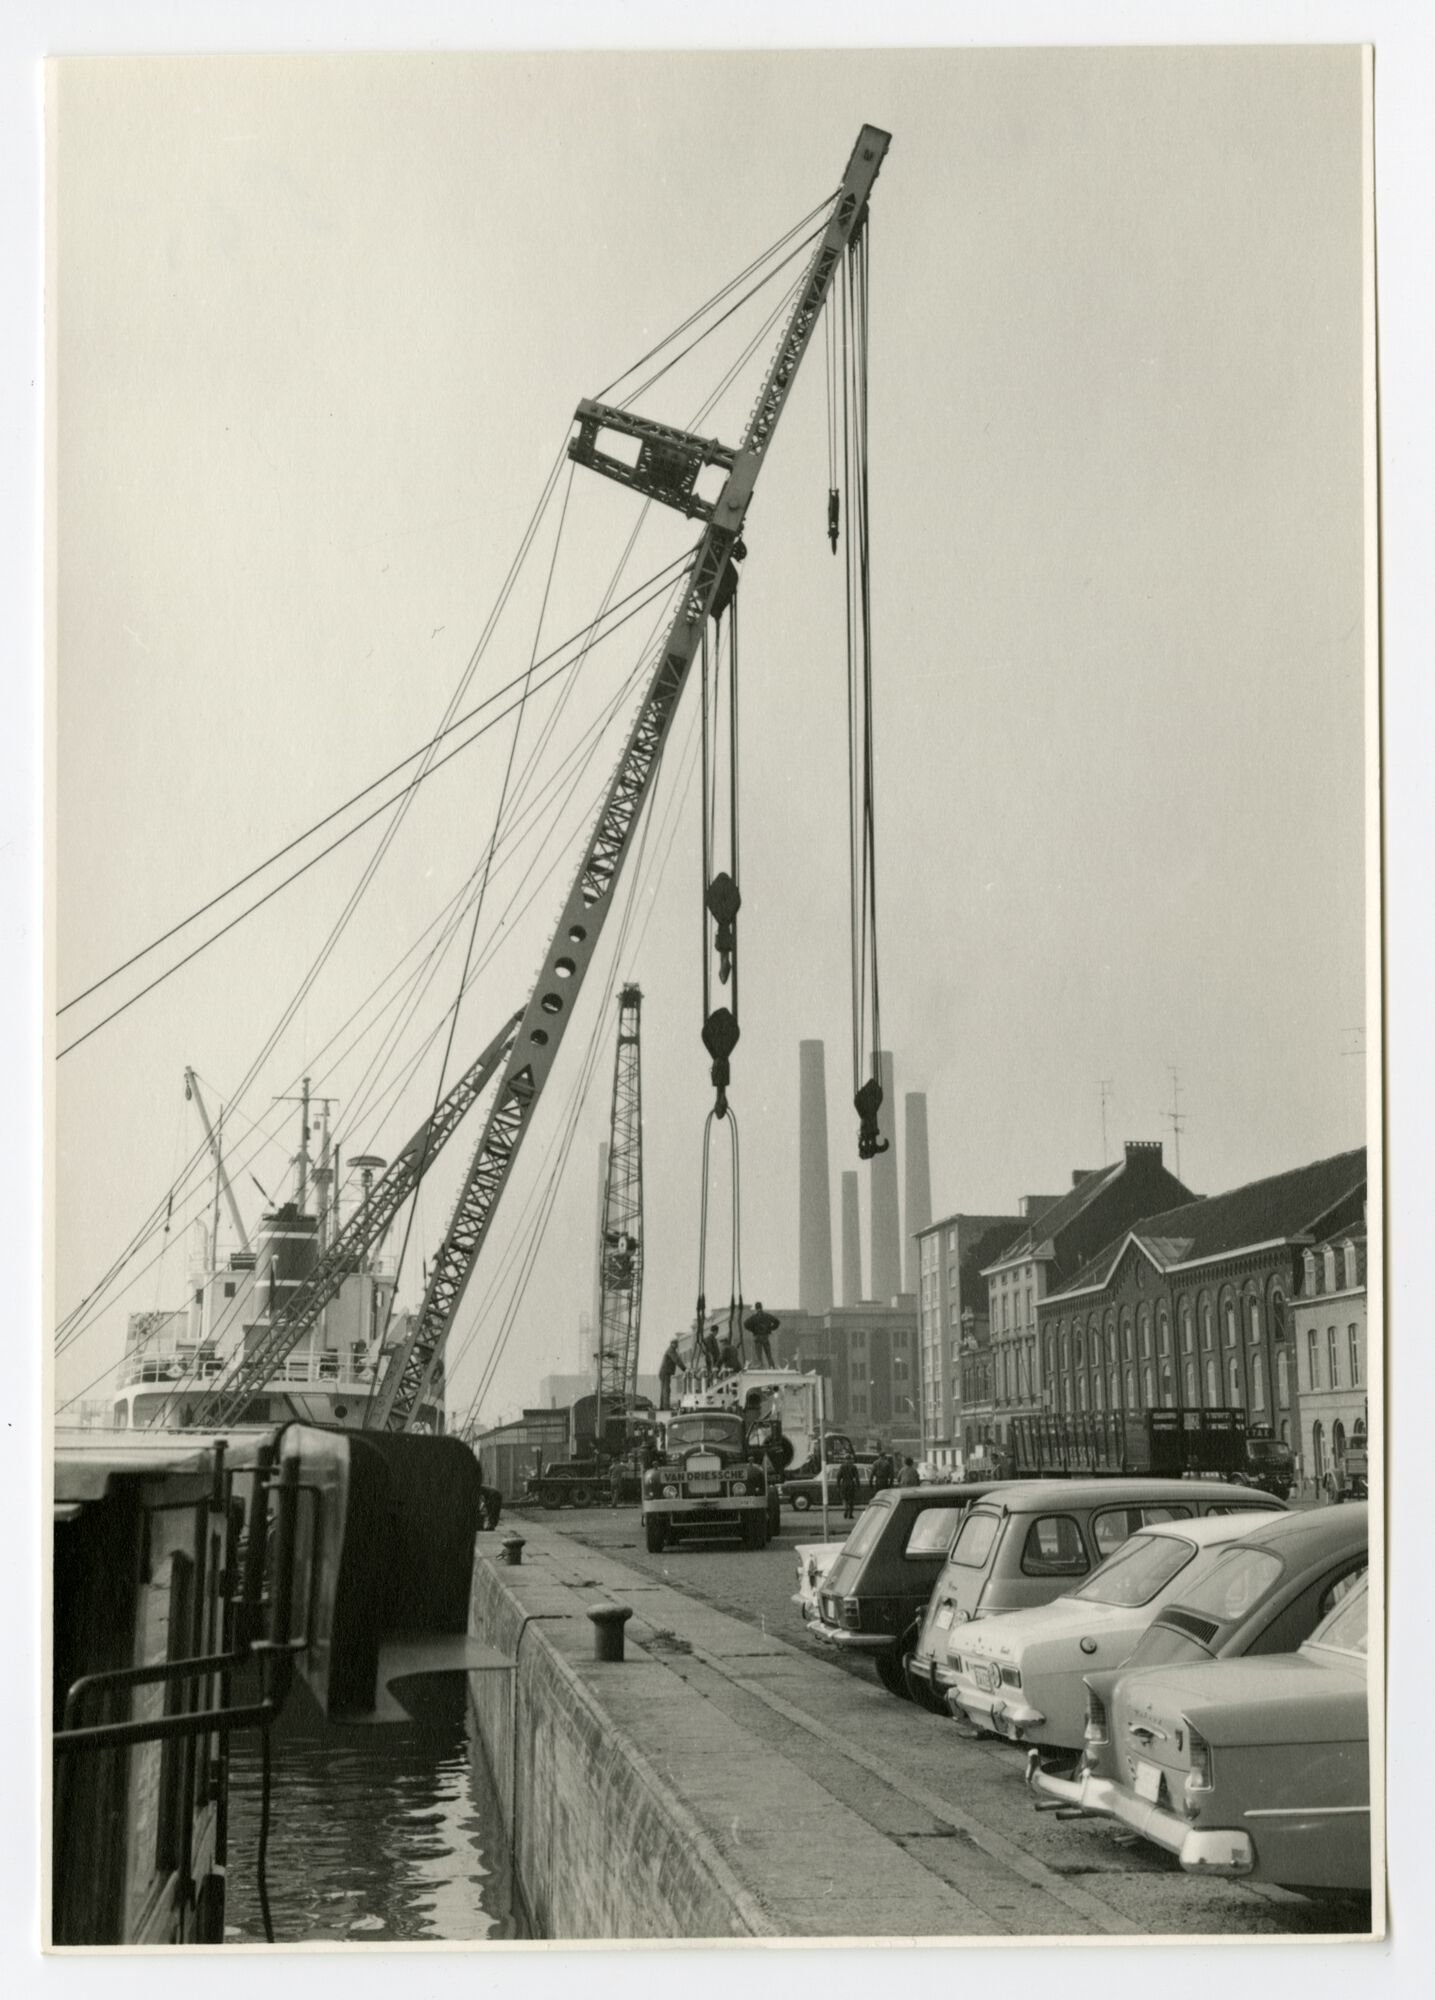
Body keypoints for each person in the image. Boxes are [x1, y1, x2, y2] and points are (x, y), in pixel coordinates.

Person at [743, 1301, 780, 1369]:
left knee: (758, 1353)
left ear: (756, 1308)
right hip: (765, 1336)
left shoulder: (754, 1317)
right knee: (768, 1353)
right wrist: (771, 1328)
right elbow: (777, 1322)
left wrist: (753, 1330)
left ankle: (760, 1365)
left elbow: (745, 1324)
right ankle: (771, 1365)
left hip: (757, 1337)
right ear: (761, 1307)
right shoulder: (767, 1316)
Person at [658, 1335, 681, 1411]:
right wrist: (685, 1369)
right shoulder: (671, 1350)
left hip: (664, 1373)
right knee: (666, 1390)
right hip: (665, 1373)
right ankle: (666, 1407)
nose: (677, 1345)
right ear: (673, 1344)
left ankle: (662, 1407)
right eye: (676, 1343)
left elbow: (677, 1359)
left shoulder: (671, 1350)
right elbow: (677, 1360)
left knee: (664, 1389)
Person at [835, 1452, 860, 1521]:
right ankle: (850, 1514)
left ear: (845, 1459)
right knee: (851, 1500)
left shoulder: (842, 1466)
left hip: (844, 1484)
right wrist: (858, 1486)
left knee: (844, 1498)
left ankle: (846, 1508)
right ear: (851, 1459)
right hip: (851, 1484)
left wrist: (838, 1486)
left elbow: (838, 1477)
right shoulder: (853, 1466)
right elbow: (857, 1477)